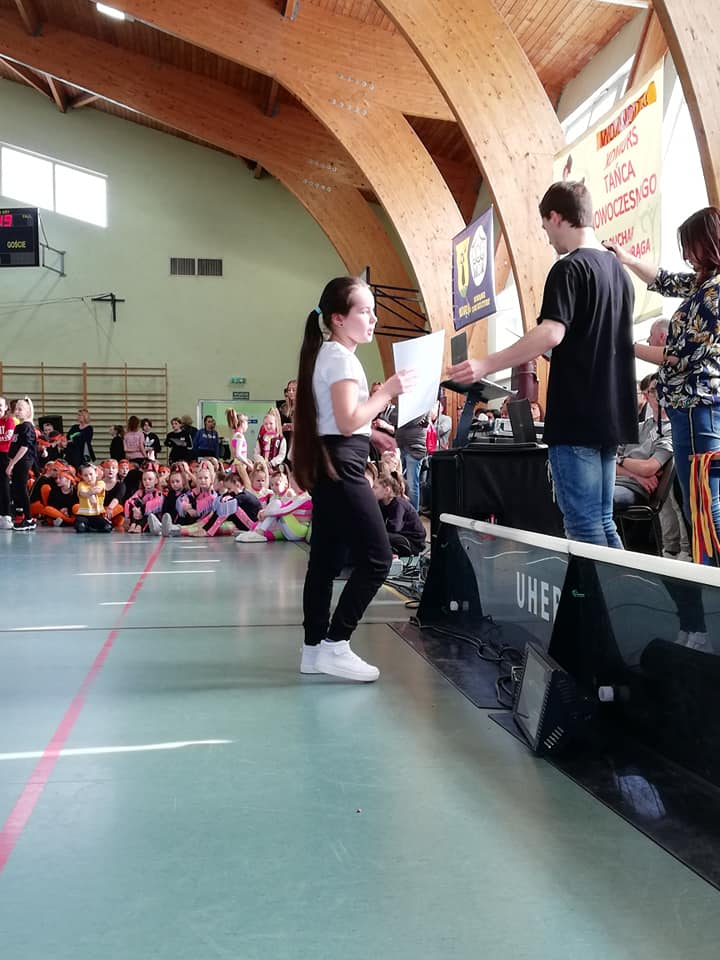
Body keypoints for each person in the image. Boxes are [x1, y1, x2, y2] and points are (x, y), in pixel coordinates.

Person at [448, 180, 637, 548]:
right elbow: (593, 341)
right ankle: (622, 587)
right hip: (611, 414)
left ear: (556, 217)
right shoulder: (619, 274)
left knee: (583, 528)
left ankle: (594, 590)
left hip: (578, 415)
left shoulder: (569, 268)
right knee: (603, 521)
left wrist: (486, 363)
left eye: (545, 226)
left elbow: (551, 333)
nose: (547, 236)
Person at [293, 276, 415, 682]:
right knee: (377, 559)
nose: (373, 319)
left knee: (325, 562)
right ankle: (336, 643)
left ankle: (313, 649)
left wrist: (370, 433)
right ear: (338, 318)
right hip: (342, 467)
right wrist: (387, 392)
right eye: (364, 311)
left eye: (373, 311)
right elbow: (347, 420)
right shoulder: (341, 358)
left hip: (333, 459)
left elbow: (339, 422)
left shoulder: (328, 355)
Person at [606, 207, 720, 562]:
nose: (687, 255)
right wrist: (626, 258)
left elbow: (678, 355)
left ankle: (711, 572)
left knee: (705, 501)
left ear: (708, 242)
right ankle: (706, 570)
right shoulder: (702, 284)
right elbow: (664, 279)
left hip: (699, 409)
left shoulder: (714, 293)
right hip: (689, 410)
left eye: (690, 246)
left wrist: (624, 345)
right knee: (696, 501)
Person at [373, 470, 426, 557]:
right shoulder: (383, 503)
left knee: (379, 535)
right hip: (400, 537)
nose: (372, 490)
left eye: (375, 487)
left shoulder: (398, 504)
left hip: (413, 543)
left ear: (386, 490)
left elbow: (394, 528)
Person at [6, 397, 38, 531]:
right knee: (17, 489)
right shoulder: (19, 426)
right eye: (16, 409)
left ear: (28, 411)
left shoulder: (27, 427)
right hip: (17, 461)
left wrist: (12, 464)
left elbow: (24, 447)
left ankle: (29, 519)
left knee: (22, 489)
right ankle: (22, 516)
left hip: (24, 461)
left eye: (20, 409)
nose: (17, 412)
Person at [75, 462, 113, 533]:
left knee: (107, 527)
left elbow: (98, 490)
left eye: (91, 474)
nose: (89, 477)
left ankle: (91, 528)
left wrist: (89, 494)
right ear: (82, 476)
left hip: (97, 515)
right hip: (83, 515)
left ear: (96, 473)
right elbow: (83, 493)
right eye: (85, 475)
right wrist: (90, 495)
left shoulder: (101, 483)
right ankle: (88, 527)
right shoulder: (81, 484)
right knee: (80, 527)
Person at [0, 396, 15, 529]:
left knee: (4, 485)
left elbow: (7, 437)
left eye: (0, 405)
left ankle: (6, 514)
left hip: (4, 456)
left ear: (5, 407)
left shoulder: (9, 421)